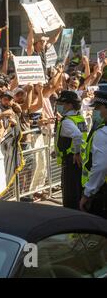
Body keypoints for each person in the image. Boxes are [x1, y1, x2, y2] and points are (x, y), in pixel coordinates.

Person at [55, 90, 87, 209]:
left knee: (70, 194)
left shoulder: (67, 121)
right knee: (77, 190)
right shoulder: (79, 117)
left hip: (71, 161)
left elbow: (77, 136)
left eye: (62, 104)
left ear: (69, 105)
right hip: (80, 160)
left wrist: (76, 152)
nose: (59, 106)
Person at [79, 89, 107, 218]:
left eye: (98, 108)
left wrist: (88, 193)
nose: (95, 111)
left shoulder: (102, 132)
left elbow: (100, 167)